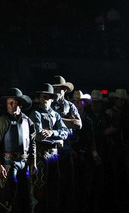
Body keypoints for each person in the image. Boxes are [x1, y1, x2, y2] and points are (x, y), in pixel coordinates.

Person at [0, 87, 37, 213]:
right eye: (8, 104)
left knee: (25, 196)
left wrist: (33, 160)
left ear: (20, 104)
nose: (11, 106)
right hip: (9, 163)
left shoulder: (28, 121)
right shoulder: (2, 121)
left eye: (13, 103)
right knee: (8, 197)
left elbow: (32, 141)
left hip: (25, 162)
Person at [29, 83, 69, 213]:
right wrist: (58, 139)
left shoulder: (56, 115)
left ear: (52, 98)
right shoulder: (36, 113)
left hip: (54, 155)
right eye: (42, 97)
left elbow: (65, 132)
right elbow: (39, 136)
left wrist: (53, 133)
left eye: (47, 97)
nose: (43, 100)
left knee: (54, 185)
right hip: (41, 154)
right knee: (40, 187)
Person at [51, 75, 82, 213]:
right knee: (54, 184)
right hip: (51, 149)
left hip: (66, 149)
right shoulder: (48, 104)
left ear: (65, 90)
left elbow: (78, 124)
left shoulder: (69, 105)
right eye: (54, 88)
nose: (57, 91)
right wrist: (68, 121)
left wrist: (58, 120)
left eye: (59, 89)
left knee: (69, 184)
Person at [70, 90, 101, 213]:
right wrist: (71, 150)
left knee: (86, 185)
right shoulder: (69, 118)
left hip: (85, 156)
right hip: (73, 156)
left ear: (84, 103)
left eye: (80, 101)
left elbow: (91, 140)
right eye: (75, 101)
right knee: (74, 185)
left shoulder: (88, 120)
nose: (77, 103)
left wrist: (95, 154)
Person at [105, 88, 129, 211]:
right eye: (120, 100)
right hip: (113, 147)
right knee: (115, 175)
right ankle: (115, 201)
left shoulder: (123, 113)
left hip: (120, 147)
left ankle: (119, 201)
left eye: (123, 100)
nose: (122, 102)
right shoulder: (111, 113)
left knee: (120, 175)